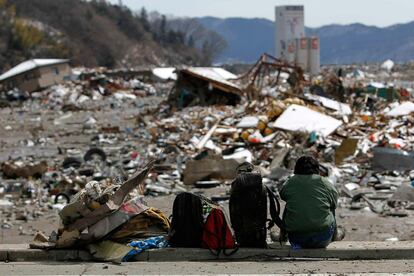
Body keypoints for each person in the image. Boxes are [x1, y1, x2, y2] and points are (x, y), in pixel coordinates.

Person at [280, 156, 342, 249]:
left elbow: (283, 195)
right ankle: (335, 235)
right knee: (330, 206)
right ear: (317, 169)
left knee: (289, 205)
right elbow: (334, 202)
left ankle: (283, 235)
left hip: (296, 239)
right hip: (322, 238)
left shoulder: (290, 182)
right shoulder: (324, 182)